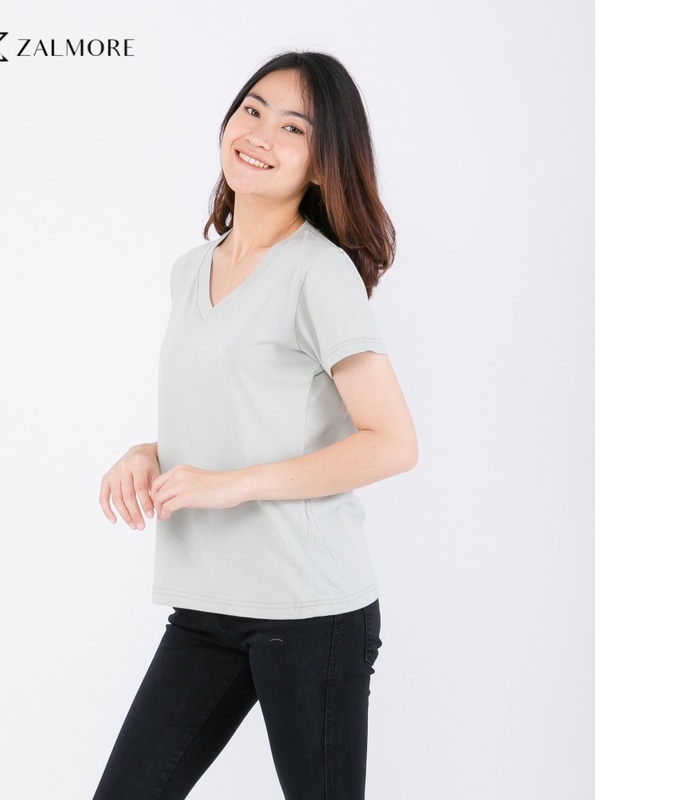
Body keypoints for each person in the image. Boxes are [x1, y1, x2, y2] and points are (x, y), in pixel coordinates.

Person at [93, 50, 418, 800]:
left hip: (309, 610)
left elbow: (392, 443)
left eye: (293, 127)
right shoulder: (190, 270)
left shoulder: (319, 273)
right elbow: (239, 414)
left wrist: (232, 486)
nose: (261, 134)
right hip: (208, 601)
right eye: (252, 110)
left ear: (323, 163)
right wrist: (146, 452)